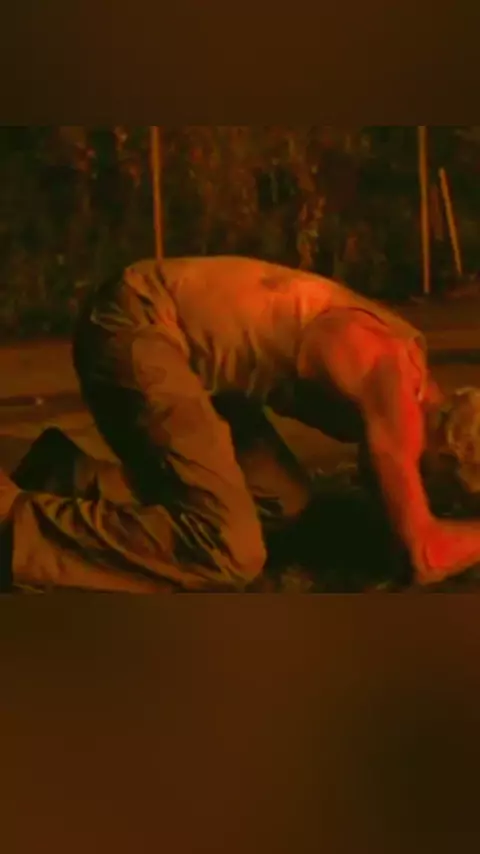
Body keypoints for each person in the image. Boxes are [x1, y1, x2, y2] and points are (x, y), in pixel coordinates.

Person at [2, 255, 480, 594]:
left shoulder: (407, 373)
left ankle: (67, 477)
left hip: (199, 360)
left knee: (281, 501)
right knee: (228, 549)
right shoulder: (390, 384)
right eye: (453, 493)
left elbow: (387, 503)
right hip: (141, 324)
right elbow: (424, 553)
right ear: (444, 454)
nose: (447, 504)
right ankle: (14, 523)